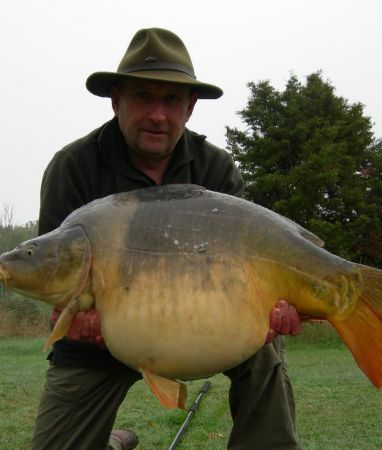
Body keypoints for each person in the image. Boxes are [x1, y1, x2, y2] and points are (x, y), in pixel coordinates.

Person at [32, 27, 302, 450]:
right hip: (100, 342)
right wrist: (68, 318)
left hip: (201, 331)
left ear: (190, 108)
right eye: (143, 97)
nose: (158, 115)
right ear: (116, 100)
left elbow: (252, 269)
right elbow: (54, 276)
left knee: (264, 353)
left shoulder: (215, 170)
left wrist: (272, 310)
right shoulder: (73, 167)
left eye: (172, 100)